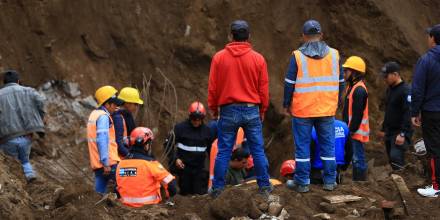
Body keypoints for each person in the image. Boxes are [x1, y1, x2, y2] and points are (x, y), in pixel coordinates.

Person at [208, 20, 271, 198]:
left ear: (230, 36)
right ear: (248, 37)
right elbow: (263, 89)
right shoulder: (258, 59)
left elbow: (213, 87)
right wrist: (263, 109)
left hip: (228, 110)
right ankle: (264, 186)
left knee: (224, 151)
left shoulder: (219, 58)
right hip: (251, 109)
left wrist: (213, 108)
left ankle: (218, 189)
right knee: (257, 150)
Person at [282, 19, 344, 192]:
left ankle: (302, 183)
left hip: (302, 110)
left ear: (303, 36)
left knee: (302, 147)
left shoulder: (297, 56)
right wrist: (338, 101)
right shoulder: (335, 55)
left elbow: (289, 83)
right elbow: (341, 82)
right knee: (328, 145)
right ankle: (330, 181)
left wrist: (287, 103)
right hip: (326, 109)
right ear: (321, 35)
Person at [0, 70, 45, 182]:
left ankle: (18, 184)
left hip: (7, 138)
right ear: (18, 81)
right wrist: (40, 117)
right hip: (26, 136)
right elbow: (41, 102)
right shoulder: (28, 91)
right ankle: (30, 175)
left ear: (4, 82)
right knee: (25, 160)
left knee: (11, 164)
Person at [412, 24, 440, 197]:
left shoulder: (426, 60)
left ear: (433, 39)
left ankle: (436, 186)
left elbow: (417, 89)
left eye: (429, 36)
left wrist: (414, 112)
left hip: (432, 111)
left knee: (435, 148)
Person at [116, 127, 176, 207]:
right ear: (146, 145)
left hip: (124, 208)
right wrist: (168, 197)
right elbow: (172, 186)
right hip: (148, 208)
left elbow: (117, 188)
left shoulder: (120, 164)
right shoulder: (151, 164)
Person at [170, 101, 213, 195]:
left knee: (199, 195)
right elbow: (168, 145)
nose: (196, 121)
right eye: (194, 119)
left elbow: (212, 151)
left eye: (199, 119)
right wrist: (175, 159)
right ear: (189, 116)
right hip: (184, 169)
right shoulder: (180, 128)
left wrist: (212, 171)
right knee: (185, 194)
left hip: (199, 169)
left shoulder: (207, 131)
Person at [87, 85, 123, 194]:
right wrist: (106, 162)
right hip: (109, 163)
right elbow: (102, 139)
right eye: (114, 104)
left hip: (97, 164)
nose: (116, 107)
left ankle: (96, 210)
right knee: (125, 185)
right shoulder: (103, 117)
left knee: (99, 193)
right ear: (107, 104)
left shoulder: (94, 115)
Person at [377, 62, 412, 171]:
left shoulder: (406, 90)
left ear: (395, 74)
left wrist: (403, 134)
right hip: (390, 132)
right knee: (392, 160)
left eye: (386, 76)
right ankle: (398, 183)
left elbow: (408, 113)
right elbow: (389, 111)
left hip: (400, 132)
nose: (384, 79)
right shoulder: (390, 90)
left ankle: (404, 183)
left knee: (396, 158)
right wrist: (383, 129)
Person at [342, 56, 370, 181]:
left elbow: (357, 114)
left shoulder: (359, 90)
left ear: (354, 72)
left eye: (346, 71)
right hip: (352, 130)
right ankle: (358, 183)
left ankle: (361, 184)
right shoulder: (351, 87)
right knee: (355, 158)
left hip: (356, 131)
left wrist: (350, 131)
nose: (344, 73)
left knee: (358, 159)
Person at [310, 120, 352, 184]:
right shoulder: (343, 126)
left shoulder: (313, 129)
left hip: (316, 173)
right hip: (335, 171)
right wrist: (344, 167)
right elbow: (350, 151)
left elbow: (309, 154)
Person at [113, 87, 144, 157]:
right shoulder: (122, 116)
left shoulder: (113, 113)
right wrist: (130, 155)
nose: (137, 107)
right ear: (128, 103)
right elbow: (119, 141)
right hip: (121, 156)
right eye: (136, 104)